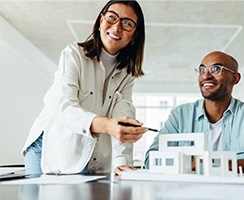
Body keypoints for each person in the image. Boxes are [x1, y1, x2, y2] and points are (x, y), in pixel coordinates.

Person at [22, 0, 149, 176]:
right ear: (100, 21)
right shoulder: (73, 54)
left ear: (134, 35)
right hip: (49, 147)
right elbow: (62, 106)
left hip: (87, 151)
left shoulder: (127, 74)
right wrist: (107, 125)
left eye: (127, 23)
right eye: (112, 17)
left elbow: (122, 115)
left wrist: (122, 162)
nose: (117, 26)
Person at [144, 51, 244, 176]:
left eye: (216, 69)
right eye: (202, 70)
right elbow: (151, 159)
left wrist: (218, 164)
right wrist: (185, 163)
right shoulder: (180, 115)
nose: (206, 76)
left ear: (235, 78)